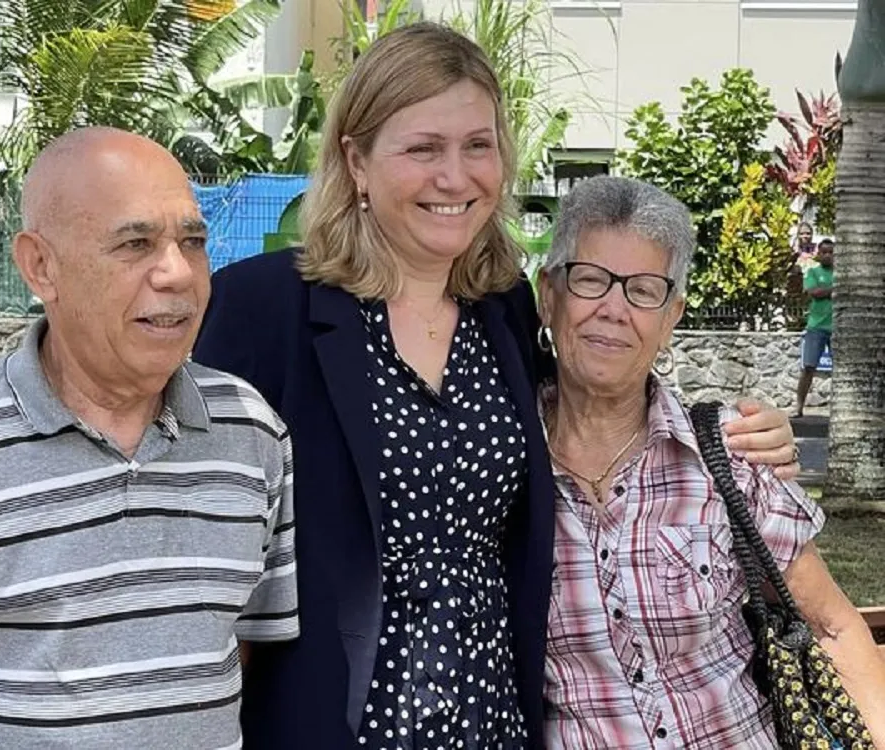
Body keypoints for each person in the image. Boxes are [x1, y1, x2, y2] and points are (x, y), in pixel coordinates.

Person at [193, 23, 799, 750]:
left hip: (494, 718)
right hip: (337, 723)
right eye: (424, 149)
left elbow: (594, 400)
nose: (456, 178)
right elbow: (201, 548)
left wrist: (740, 432)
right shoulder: (263, 308)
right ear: (356, 161)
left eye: (477, 146)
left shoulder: (503, 308)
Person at [0, 128, 298, 749]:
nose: (177, 273)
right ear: (40, 266)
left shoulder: (251, 432)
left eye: (193, 242)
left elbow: (240, 643)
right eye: (135, 243)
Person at [537, 176, 885, 748]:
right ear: (548, 296)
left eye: (643, 290)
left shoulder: (728, 452)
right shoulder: (498, 466)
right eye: (591, 280)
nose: (614, 309)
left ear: (671, 317)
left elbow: (831, 628)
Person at [794, 238, 834, 417]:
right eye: (824, 252)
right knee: (808, 368)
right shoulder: (813, 272)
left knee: (839, 371)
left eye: (830, 252)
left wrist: (827, 290)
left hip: (837, 329)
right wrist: (834, 289)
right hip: (816, 327)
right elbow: (814, 292)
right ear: (818, 254)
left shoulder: (841, 273)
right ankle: (798, 407)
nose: (827, 255)